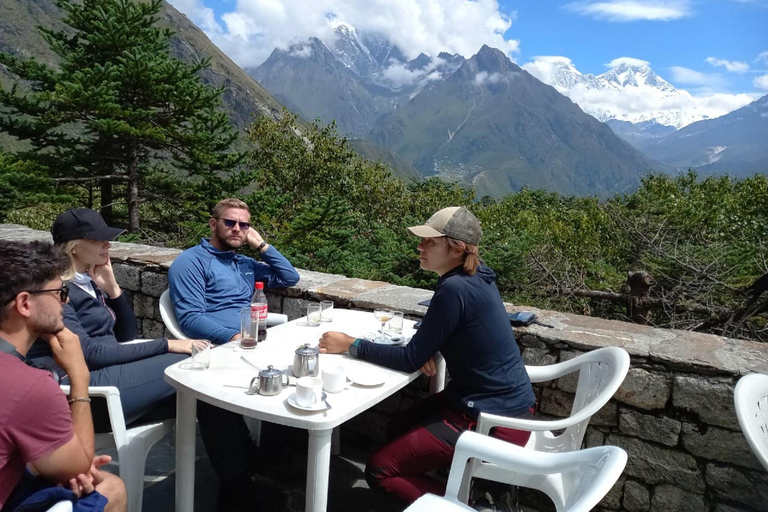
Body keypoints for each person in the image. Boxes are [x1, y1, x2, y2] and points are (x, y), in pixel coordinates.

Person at [28, 208, 278, 512]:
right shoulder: (57, 291)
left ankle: (239, 480)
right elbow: (89, 353)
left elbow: (126, 334)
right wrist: (168, 345)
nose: (109, 245)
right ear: (75, 246)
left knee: (207, 393)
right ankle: (241, 483)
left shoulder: (87, 280)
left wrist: (113, 289)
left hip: (109, 375)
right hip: (86, 393)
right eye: (101, 240)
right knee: (198, 367)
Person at [318, 206, 536, 504]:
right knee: (396, 428)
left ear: (456, 248)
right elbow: (454, 327)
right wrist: (427, 342)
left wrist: (349, 344)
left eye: (430, 242)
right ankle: (450, 483)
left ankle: (461, 506)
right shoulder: (477, 277)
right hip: (502, 404)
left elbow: (409, 359)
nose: (420, 246)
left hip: (493, 421)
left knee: (380, 470)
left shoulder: (454, 288)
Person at [0, 240, 126, 512]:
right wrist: (79, 373)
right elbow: (78, 468)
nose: (64, 301)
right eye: (60, 292)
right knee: (111, 487)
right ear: (24, 303)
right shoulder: (29, 385)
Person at [168, 198, 300, 344]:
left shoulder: (244, 263)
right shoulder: (191, 261)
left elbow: (289, 277)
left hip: (253, 338)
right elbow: (190, 319)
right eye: (230, 222)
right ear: (213, 224)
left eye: (244, 225)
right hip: (223, 345)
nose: (237, 229)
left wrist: (261, 245)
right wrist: (236, 337)